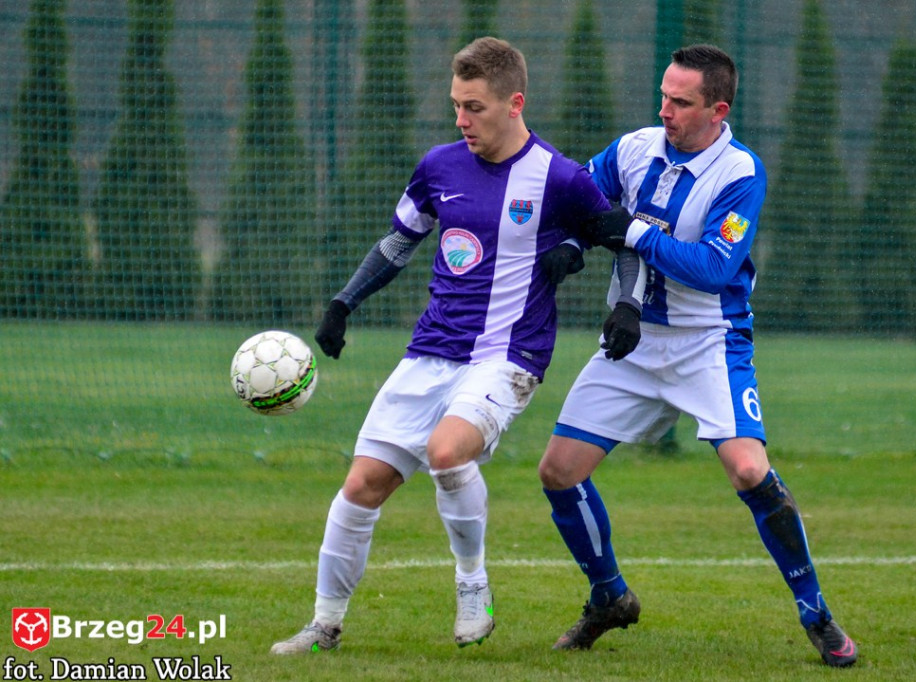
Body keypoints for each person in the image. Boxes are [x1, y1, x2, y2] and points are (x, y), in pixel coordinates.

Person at [270, 36, 644, 655]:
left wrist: (624, 303)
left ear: (514, 102)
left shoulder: (559, 176)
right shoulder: (438, 166)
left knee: (447, 452)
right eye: (456, 106)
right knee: (361, 486)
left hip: (507, 356)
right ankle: (324, 624)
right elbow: (398, 243)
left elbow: (622, 240)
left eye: (475, 107)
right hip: (430, 352)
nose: (461, 120)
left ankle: (474, 586)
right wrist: (344, 302)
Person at [537, 44, 859, 668]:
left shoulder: (740, 173)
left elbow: (714, 267)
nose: (666, 111)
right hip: (632, 343)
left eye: (681, 102)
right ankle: (608, 597)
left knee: (747, 471)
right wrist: (574, 247)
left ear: (718, 109)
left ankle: (816, 613)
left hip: (710, 343)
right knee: (557, 471)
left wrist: (630, 231)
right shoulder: (634, 148)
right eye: (663, 95)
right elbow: (586, 206)